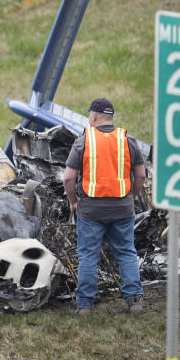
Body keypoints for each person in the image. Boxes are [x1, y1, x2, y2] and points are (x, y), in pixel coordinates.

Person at [63, 97, 146, 316]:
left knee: (88, 257)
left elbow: (68, 179)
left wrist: (73, 202)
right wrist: (133, 196)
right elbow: (141, 174)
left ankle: (85, 306)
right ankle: (134, 300)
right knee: (126, 253)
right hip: (122, 208)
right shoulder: (127, 140)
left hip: (91, 211)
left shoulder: (83, 141)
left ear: (93, 116)